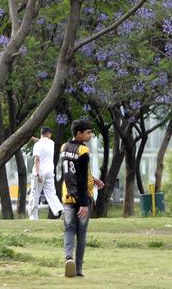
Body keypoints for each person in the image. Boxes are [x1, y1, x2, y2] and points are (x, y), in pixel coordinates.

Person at [60, 118, 105, 278]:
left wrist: (93, 179)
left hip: (67, 195)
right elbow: (80, 178)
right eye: (88, 132)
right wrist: (84, 203)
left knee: (69, 229)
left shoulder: (64, 147)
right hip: (82, 197)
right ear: (79, 133)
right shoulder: (83, 151)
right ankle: (78, 269)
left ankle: (68, 258)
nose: (90, 135)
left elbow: (73, 172)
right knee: (82, 233)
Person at [28, 127, 63, 220]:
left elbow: (37, 159)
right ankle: (60, 210)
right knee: (51, 193)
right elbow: (42, 141)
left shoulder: (38, 145)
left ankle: (33, 216)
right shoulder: (51, 143)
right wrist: (33, 138)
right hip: (50, 172)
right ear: (48, 134)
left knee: (35, 194)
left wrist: (38, 174)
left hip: (40, 172)